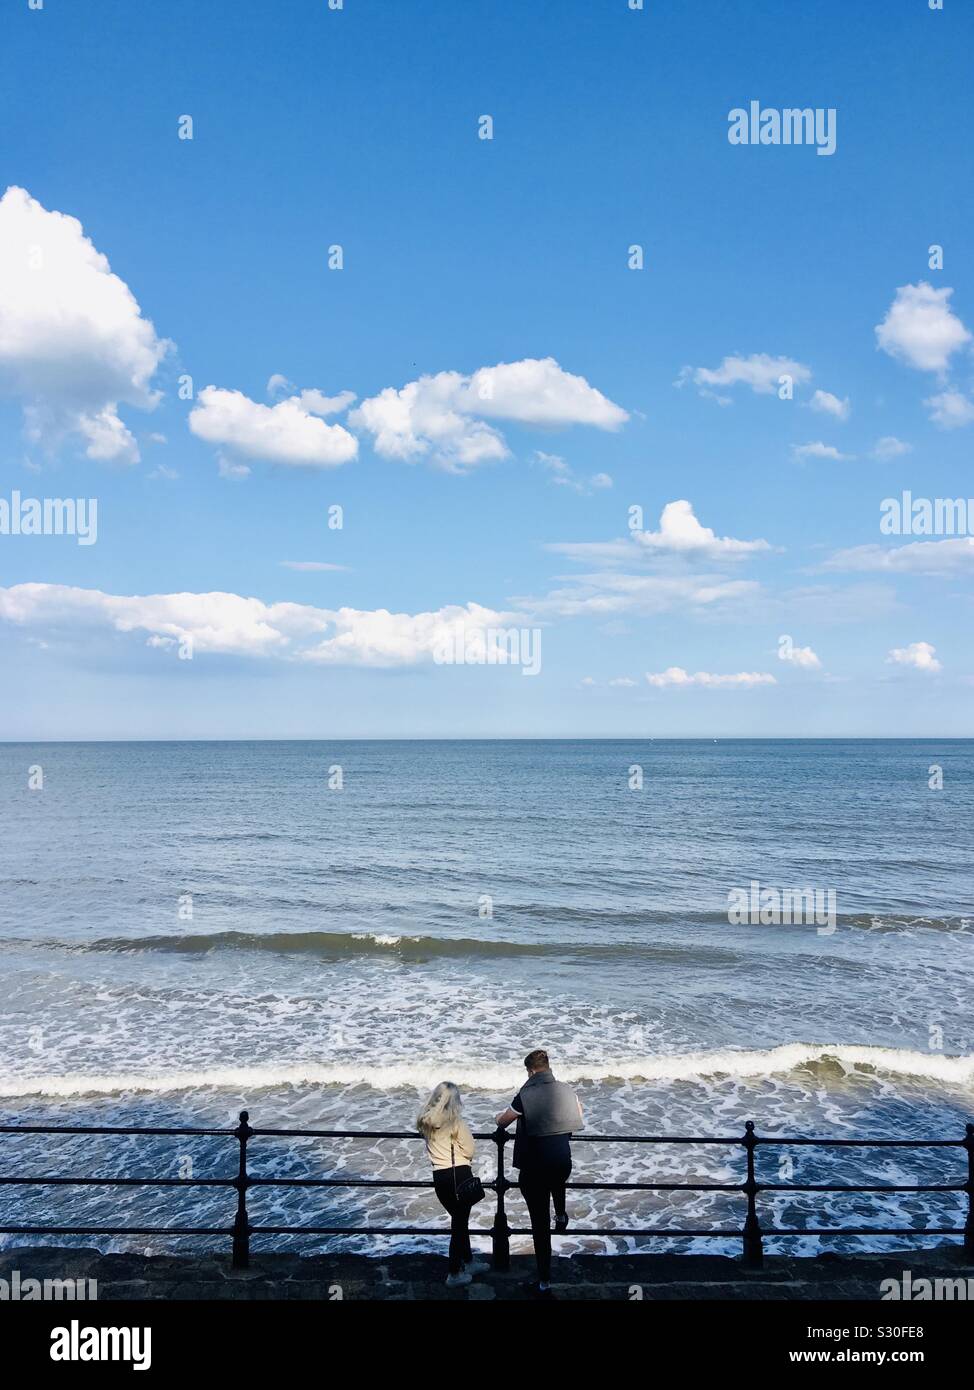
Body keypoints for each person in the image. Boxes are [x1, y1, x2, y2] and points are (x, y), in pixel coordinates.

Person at [495, 1049, 583, 1298]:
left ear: (531, 1070)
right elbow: (579, 1113)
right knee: (557, 1179)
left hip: (535, 1167)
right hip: (562, 1162)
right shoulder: (567, 1089)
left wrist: (497, 1116)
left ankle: (544, 1281)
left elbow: (504, 1121)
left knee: (539, 1224)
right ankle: (562, 1213)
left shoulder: (526, 1094)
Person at [417, 1081, 489, 1287]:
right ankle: (454, 1273)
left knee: (459, 1220)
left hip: (440, 1177)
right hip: (459, 1174)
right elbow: (469, 1150)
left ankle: (469, 1261)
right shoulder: (455, 1122)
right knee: (459, 1225)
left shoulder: (425, 1121)